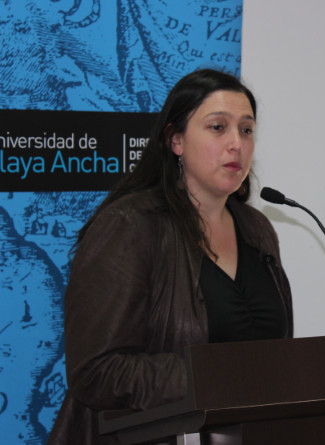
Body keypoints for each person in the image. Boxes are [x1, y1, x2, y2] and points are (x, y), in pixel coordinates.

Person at [47, 69, 293, 445]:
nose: (236, 144)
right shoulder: (131, 225)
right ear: (176, 140)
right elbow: (95, 370)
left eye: (246, 130)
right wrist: (213, 378)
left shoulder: (256, 229)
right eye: (217, 127)